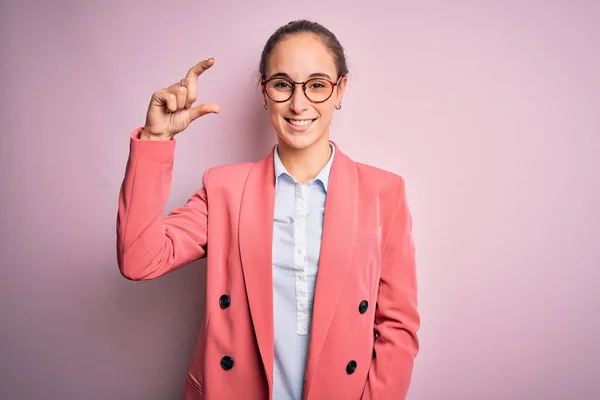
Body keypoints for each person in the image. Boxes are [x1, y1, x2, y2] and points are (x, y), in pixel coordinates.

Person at [116, 19, 420, 400]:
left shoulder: (384, 193)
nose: (298, 103)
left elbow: (397, 326)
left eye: (317, 85)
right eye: (282, 84)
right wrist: (156, 138)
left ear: (340, 90)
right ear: (264, 92)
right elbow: (139, 260)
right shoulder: (225, 188)